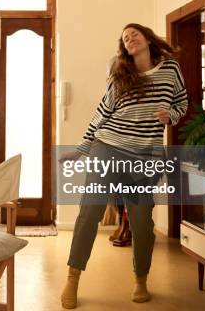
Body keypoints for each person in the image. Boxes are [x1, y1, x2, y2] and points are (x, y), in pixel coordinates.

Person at [59, 23, 188, 308]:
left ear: (147, 39)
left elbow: (182, 101)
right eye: (125, 38)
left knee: (142, 222)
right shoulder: (120, 72)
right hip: (108, 147)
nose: (129, 39)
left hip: (147, 156)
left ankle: (141, 279)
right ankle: (73, 277)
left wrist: (172, 116)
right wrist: (81, 149)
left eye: (134, 34)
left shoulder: (170, 70)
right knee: (89, 212)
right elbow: (102, 113)